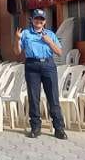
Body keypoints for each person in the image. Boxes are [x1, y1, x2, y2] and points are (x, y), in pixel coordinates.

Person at [14, 8, 67, 140]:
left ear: (45, 22)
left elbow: (59, 52)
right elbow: (17, 52)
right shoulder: (25, 33)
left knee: (53, 97)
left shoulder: (50, 34)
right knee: (33, 97)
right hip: (32, 65)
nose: (39, 21)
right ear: (32, 20)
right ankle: (36, 127)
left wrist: (49, 41)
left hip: (48, 65)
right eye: (36, 18)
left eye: (41, 19)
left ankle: (59, 128)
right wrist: (17, 39)